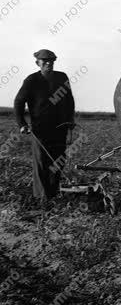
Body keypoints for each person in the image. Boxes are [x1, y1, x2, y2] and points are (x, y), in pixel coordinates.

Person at [14, 49, 75, 204]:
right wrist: (22, 124)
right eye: (45, 61)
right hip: (40, 130)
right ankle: (42, 198)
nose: (49, 63)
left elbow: (69, 101)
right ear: (38, 63)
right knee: (42, 162)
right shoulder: (31, 80)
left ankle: (52, 195)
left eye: (52, 61)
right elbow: (19, 102)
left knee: (58, 161)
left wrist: (70, 124)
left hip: (60, 128)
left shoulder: (62, 77)